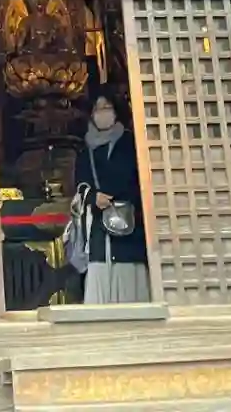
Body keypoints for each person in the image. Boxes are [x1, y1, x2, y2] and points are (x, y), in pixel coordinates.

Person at [76, 91, 149, 303]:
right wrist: (93, 198)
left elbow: (142, 181)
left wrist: (122, 196)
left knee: (129, 283)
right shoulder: (85, 150)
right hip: (99, 228)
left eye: (107, 108)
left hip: (129, 224)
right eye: (97, 109)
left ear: (116, 112)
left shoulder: (132, 144)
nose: (102, 113)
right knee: (99, 277)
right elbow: (80, 185)